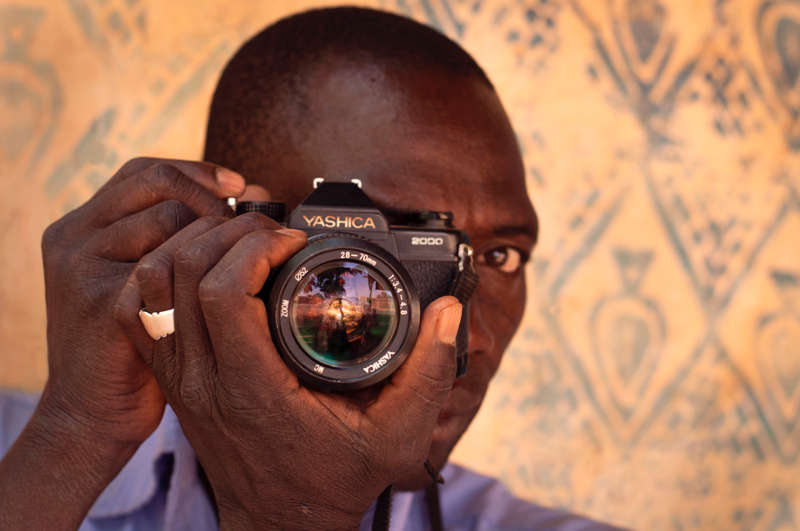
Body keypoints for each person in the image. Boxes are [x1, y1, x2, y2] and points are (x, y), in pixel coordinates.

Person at [0, 7, 621, 530]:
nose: (469, 336)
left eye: (499, 257)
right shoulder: (28, 454)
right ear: (212, 243)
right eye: (380, 261)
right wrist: (75, 435)